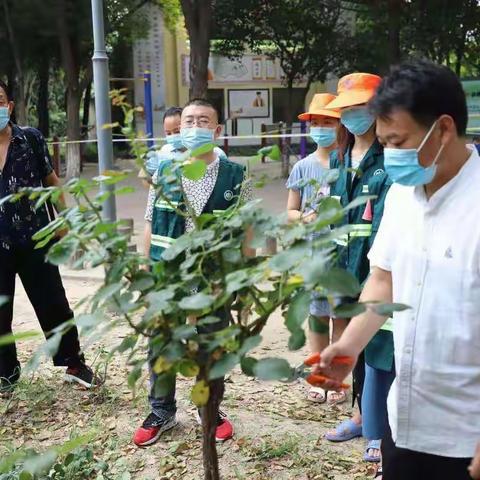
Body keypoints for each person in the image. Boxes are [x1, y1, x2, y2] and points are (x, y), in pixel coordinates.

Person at [315, 59, 480, 480]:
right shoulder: (403, 196)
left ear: (443, 129)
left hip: (468, 433)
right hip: (406, 419)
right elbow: (384, 279)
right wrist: (349, 346)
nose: (390, 155)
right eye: (384, 142)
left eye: (398, 141)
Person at [134, 98, 253, 447]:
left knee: (212, 344)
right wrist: (145, 269)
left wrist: (243, 279)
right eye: (188, 121)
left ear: (217, 131)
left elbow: (248, 231)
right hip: (167, 276)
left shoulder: (236, 175)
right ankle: (161, 411)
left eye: (203, 121)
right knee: (162, 344)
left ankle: (209, 407)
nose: (195, 127)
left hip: (214, 278)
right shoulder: (164, 171)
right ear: (179, 128)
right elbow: (148, 222)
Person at [0, 80, 98, 394]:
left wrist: (65, 222)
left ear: (10, 105)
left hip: (37, 238)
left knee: (54, 303)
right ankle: (5, 375)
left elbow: (52, 181)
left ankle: (74, 363)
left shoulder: (30, 139)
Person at [322, 73, 391, 463]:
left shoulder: (389, 159)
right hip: (343, 267)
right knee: (354, 346)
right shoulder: (338, 157)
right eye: (346, 109)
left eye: (359, 107)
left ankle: (379, 429)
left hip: (377, 268)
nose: (352, 115)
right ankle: (360, 416)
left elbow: (384, 223)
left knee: (378, 344)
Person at [286, 93, 348, 405]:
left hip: (344, 256)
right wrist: (305, 217)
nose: (321, 128)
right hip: (314, 256)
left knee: (342, 318)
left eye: (328, 122)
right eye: (316, 123)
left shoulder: (349, 164)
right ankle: (317, 376)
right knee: (317, 316)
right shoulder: (302, 167)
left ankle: (336, 378)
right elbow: (291, 212)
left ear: (341, 125)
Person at [140, 107, 227, 188]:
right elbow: (145, 177)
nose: (173, 136)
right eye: (168, 133)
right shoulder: (162, 153)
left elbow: (226, 179)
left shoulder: (215, 153)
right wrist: (163, 188)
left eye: (177, 131)